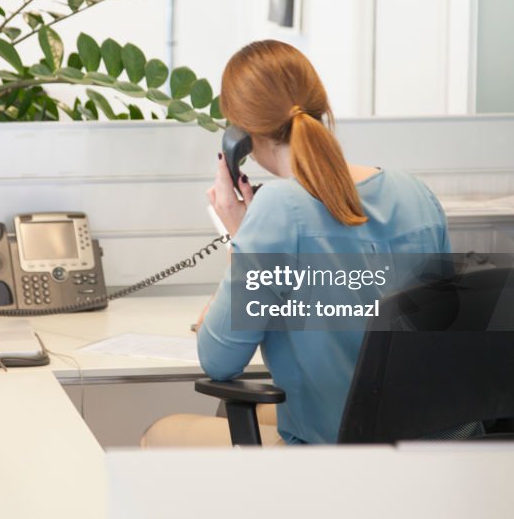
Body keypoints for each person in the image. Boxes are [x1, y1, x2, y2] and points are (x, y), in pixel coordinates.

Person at [141, 40, 451, 446]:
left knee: (161, 434)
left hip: (334, 453)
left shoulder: (278, 208)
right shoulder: (416, 193)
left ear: (242, 138)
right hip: (425, 446)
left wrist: (242, 239)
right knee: (240, 411)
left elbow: (218, 361)